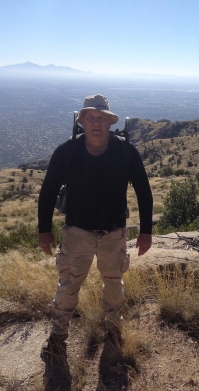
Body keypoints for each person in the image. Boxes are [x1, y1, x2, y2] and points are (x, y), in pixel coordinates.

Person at [38, 94, 153, 349]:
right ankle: (58, 337)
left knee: (113, 286)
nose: (96, 123)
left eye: (102, 118)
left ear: (110, 122)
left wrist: (146, 232)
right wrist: (44, 229)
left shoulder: (126, 152)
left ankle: (113, 331)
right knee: (68, 286)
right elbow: (48, 191)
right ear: (82, 121)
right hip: (77, 231)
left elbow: (144, 191)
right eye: (91, 117)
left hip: (114, 233)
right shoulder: (66, 152)